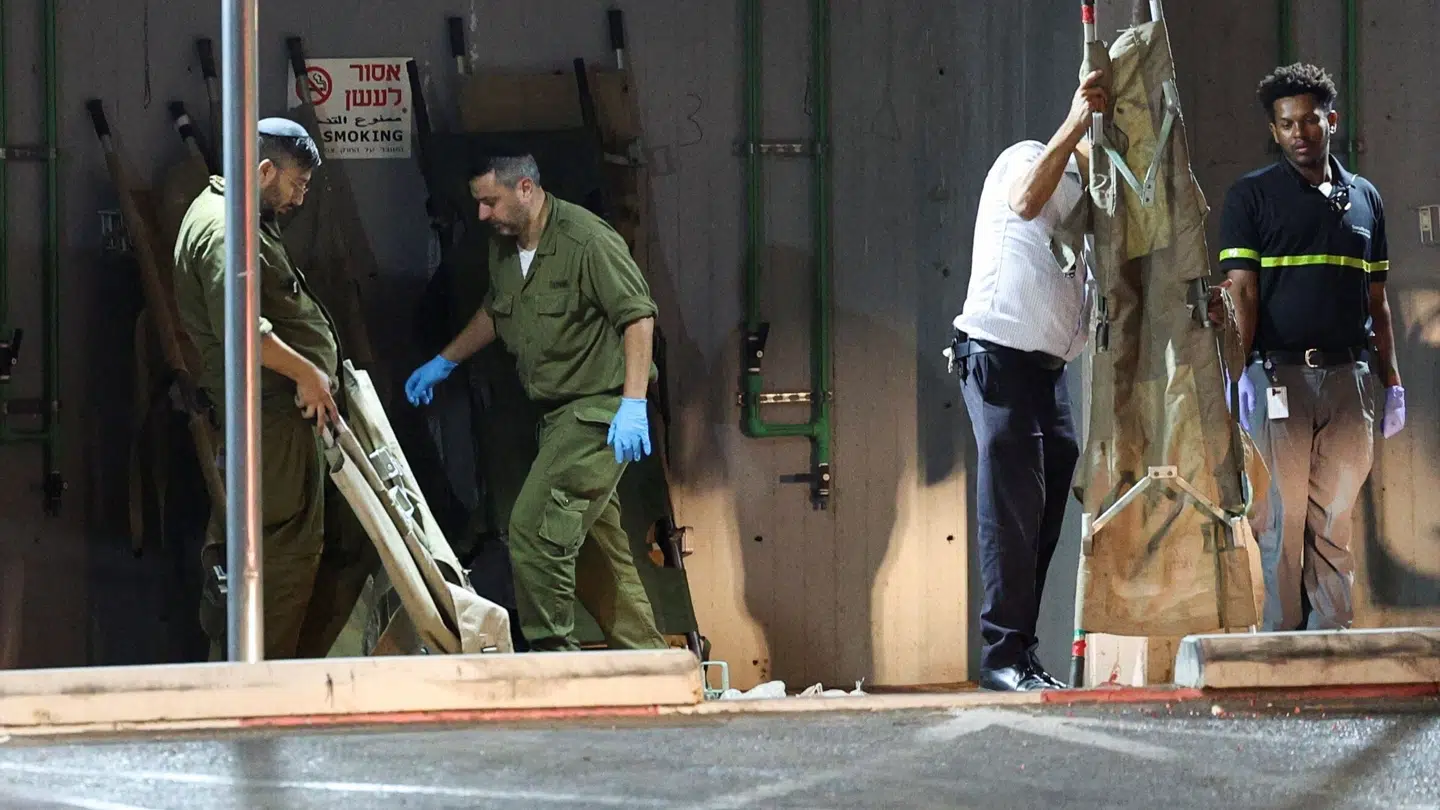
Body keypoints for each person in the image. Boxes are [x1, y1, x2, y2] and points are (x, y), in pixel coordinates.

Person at [404, 153, 668, 653]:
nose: (483, 214)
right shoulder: (506, 247)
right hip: (555, 416)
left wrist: (633, 403)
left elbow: (637, 317)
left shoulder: (586, 241)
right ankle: (650, 664)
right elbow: (497, 310)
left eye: (490, 201)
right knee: (596, 550)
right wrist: (445, 361)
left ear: (525, 188)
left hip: (597, 412)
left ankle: (552, 658)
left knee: (534, 531)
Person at [1218, 63, 1405, 632]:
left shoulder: (1365, 199)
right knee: (1278, 523)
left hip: (1349, 381)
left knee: (1333, 522)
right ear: (1274, 131)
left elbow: (1378, 301)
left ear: (1331, 121)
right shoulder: (1251, 197)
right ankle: (1280, 652)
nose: (1300, 132)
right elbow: (1241, 294)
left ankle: (1331, 647)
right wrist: (1236, 373)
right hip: (1278, 379)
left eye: (1310, 120)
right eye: (1287, 123)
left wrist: (1392, 381)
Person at [949, 71, 1106, 691]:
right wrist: (1073, 124)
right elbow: (1023, 203)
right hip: (999, 358)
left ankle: (1021, 650)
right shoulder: (1029, 159)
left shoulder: (1098, 196)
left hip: (1048, 373)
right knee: (1011, 516)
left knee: (1040, 517)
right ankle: (1000, 657)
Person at [172, 118, 347, 660]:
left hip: (268, 421)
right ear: (265, 169)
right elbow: (243, 329)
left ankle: (248, 690)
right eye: (296, 184)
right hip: (269, 424)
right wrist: (307, 373)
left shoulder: (240, 217)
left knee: (258, 556)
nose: (298, 198)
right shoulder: (227, 230)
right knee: (281, 562)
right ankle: (258, 697)